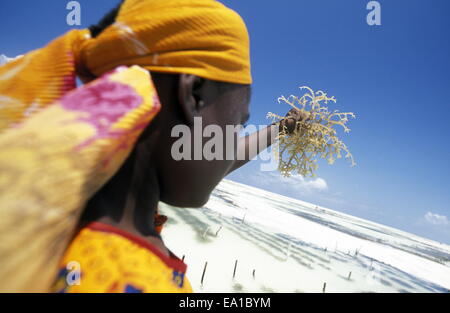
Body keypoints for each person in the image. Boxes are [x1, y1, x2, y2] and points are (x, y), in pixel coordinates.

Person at [0, 0, 304, 293]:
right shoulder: (127, 278)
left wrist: (279, 130)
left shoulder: (61, 204)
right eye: (237, 125)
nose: (227, 147)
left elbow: (216, 152)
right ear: (194, 94)